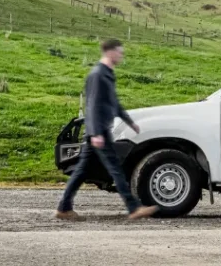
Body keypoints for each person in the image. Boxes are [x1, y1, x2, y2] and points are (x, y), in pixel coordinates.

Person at [55, 39, 158, 221]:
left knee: (81, 172)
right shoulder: (98, 75)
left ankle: (64, 208)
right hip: (99, 133)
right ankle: (133, 208)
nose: (121, 55)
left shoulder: (107, 74)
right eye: (119, 52)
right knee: (115, 170)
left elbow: (113, 103)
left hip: (99, 132)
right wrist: (95, 133)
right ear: (110, 52)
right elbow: (93, 105)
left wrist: (129, 122)